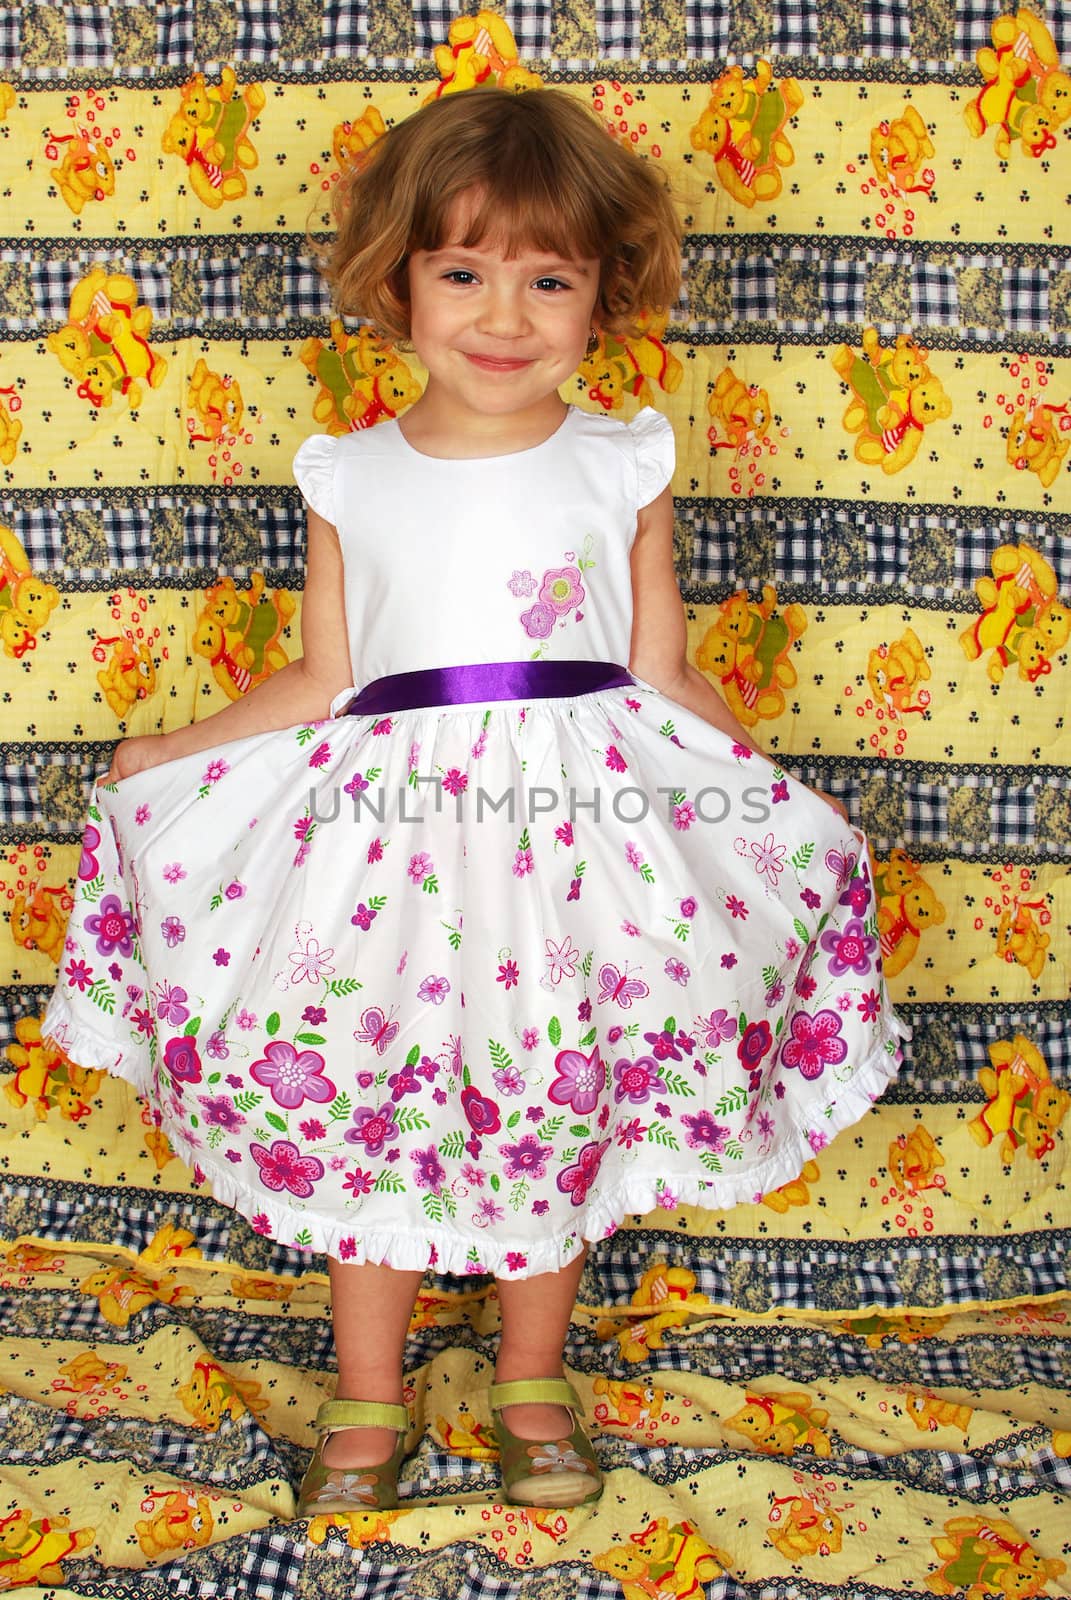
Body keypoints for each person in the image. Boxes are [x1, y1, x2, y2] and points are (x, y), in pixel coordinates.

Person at [44, 87, 909, 1519]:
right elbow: (327, 675)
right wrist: (174, 749)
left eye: (549, 278)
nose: (504, 314)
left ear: (598, 297)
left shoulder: (621, 459)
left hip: (574, 857)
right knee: (362, 1090)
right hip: (381, 861)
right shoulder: (350, 474)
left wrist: (775, 802)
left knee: (552, 1092)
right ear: (398, 284)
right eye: (464, 270)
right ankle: (369, 1394)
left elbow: (664, 672)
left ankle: (529, 1378)